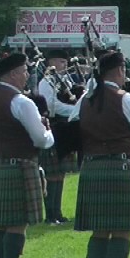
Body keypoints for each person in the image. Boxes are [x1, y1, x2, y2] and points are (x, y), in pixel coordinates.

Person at [74, 51, 130, 258]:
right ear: (117, 71)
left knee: (99, 231)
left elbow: (74, 129)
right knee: (122, 230)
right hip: (119, 167)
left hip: (91, 168)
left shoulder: (85, 99)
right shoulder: (127, 100)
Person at [0, 52, 55, 258]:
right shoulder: (20, 101)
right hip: (18, 166)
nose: (27, 75)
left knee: (3, 224)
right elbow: (40, 140)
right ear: (12, 74)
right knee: (16, 225)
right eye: (24, 71)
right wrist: (50, 132)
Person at [37, 50, 80, 225]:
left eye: (65, 62)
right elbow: (51, 105)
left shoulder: (65, 80)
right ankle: (50, 214)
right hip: (54, 128)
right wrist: (74, 110)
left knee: (60, 173)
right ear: (51, 62)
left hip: (65, 129)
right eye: (61, 62)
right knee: (52, 173)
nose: (65, 65)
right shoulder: (46, 82)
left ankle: (58, 212)